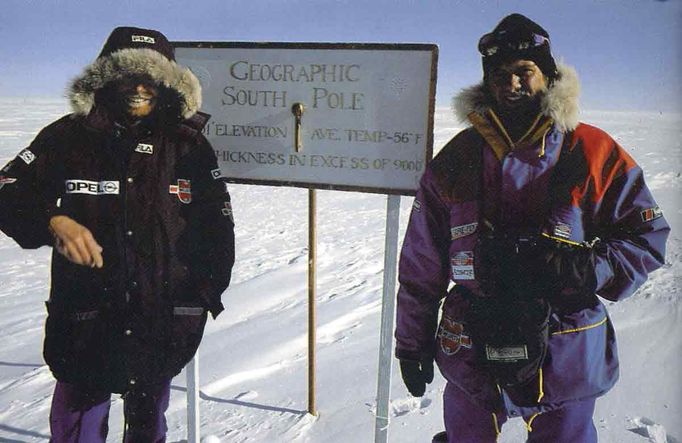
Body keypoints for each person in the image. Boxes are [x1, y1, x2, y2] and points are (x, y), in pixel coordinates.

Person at [394, 14, 669, 443]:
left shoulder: (593, 151)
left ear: (548, 76)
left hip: (565, 348)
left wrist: (584, 267)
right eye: (500, 74)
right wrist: (411, 343)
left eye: (525, 71)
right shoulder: (455, 160)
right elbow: (420, 265)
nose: (512, 83)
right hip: (471, 346)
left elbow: (647, 238)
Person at [0, 27, 235, 441]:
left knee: (147, 422)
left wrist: (201, 295)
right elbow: (7, 187)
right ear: (106, 78)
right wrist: (53, 220)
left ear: (167, 82)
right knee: (77, 420)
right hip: (84, 316)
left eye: (150, 77)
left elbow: (216, 225)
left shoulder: (187, 144)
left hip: (159, 315)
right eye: (128, 75)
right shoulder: (68, 136)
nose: (140, 87)